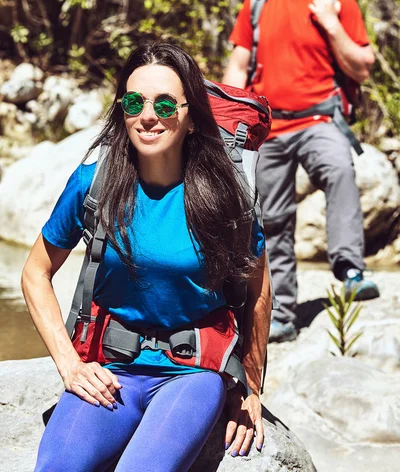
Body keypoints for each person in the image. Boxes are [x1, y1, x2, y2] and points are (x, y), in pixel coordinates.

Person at [21, 42, 271, 472]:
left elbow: (258, 288)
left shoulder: (225, 196)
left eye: (165, 104)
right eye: (134, 102)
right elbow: (35, 272)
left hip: (191, 375)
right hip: (111, 369)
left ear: (191, 116)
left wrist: (250, 385)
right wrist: (68, 363)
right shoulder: (94, 184)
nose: (148, 116)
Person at [223, 0, 379, 344]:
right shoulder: (257, 0)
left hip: (319, 119)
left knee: (338, 170)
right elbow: (238, 64)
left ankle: (350, 268)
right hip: (268, 124)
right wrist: (226, 120)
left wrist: (330, 23)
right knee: (270, 218)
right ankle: (282, 313)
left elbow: (363, 66)